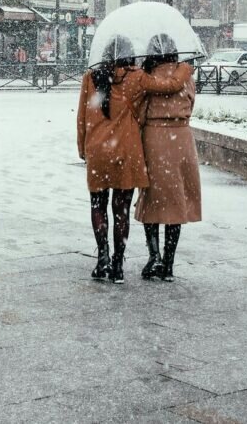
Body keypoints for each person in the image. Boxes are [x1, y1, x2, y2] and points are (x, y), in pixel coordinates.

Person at [77, 36, 192, 284]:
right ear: (130, 56)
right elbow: (169, 85)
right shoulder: (137, 77)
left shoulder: (91, 77)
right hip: (126, 151)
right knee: (121, 209)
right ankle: (118, 266)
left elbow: (81, 116)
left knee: (98, 205)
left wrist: (82, 149)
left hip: (98, 150)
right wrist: (185, 68)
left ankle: (103, 260)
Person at [134, 35, 200, 283]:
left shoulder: (147, 78)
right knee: (177, 201)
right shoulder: (186, 76)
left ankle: (155, 257)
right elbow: (192, 104)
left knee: (152, 198)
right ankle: (169, 263)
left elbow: (140, 110)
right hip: (181, 138)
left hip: (154, 138)